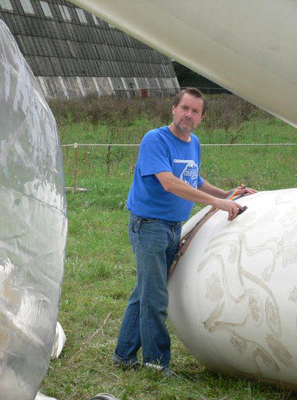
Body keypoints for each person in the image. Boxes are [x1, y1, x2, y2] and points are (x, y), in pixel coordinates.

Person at [113, 88, 256, 377]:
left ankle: (123, 355)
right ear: (173, 109)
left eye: (195, 111)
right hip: (149, 227)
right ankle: (156, 363)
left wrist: (229, 193)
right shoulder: (155, 140)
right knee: (155, 297)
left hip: (173, 226)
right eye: (184, 108)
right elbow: (169, 182)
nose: (188, 115)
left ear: (201, 118)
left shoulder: (194, 144)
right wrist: (217, 203)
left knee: (144, 292)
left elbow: (193, 179)